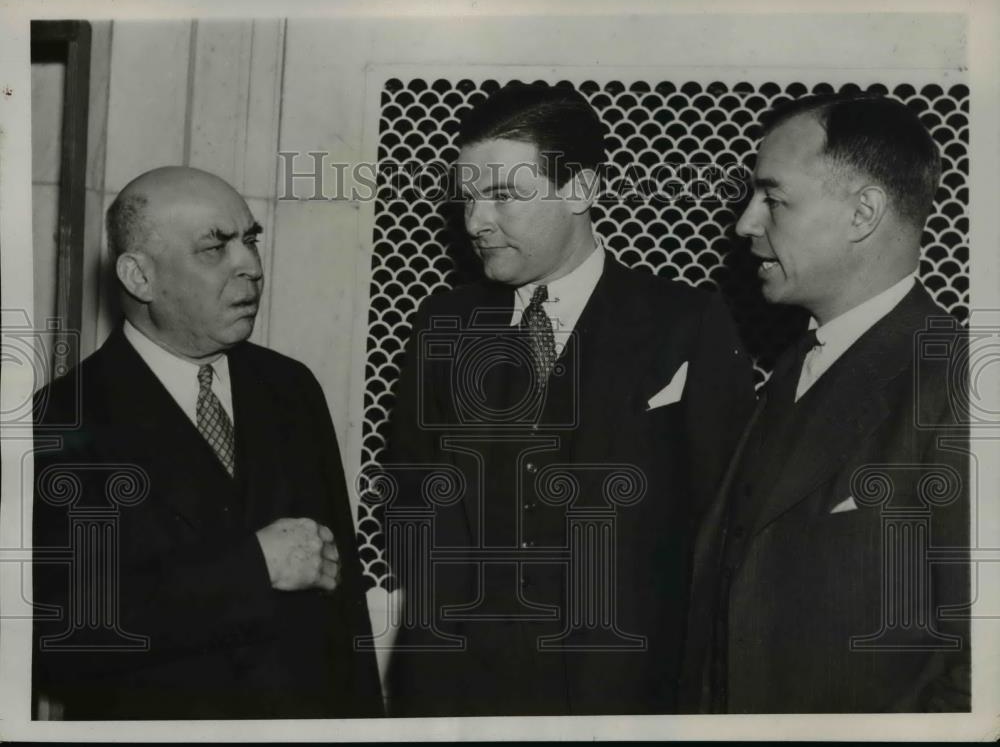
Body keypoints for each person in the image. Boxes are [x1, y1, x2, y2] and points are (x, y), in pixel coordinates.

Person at [382, 82, 755, 716]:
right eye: (469, 198)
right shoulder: (442, 322)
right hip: (454, 692)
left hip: (618, 692)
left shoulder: (687, 323)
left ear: (579, 189)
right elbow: (412, 494)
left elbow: (722, 529)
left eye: (502, 195)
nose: (476, 221)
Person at [32, 166, 383, 719]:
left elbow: (345, 606)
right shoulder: (61, 418)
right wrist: (251, 568)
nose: (252, 266)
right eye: (214, 248)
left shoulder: (290, 387)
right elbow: (60, 634)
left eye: (250, 240)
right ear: (139, 276)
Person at [681, 94, 971, 713]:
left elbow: (980, 672)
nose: (745, 224)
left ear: (862, 212)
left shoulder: (961, 385)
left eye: (774, 199)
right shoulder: (793, 365)